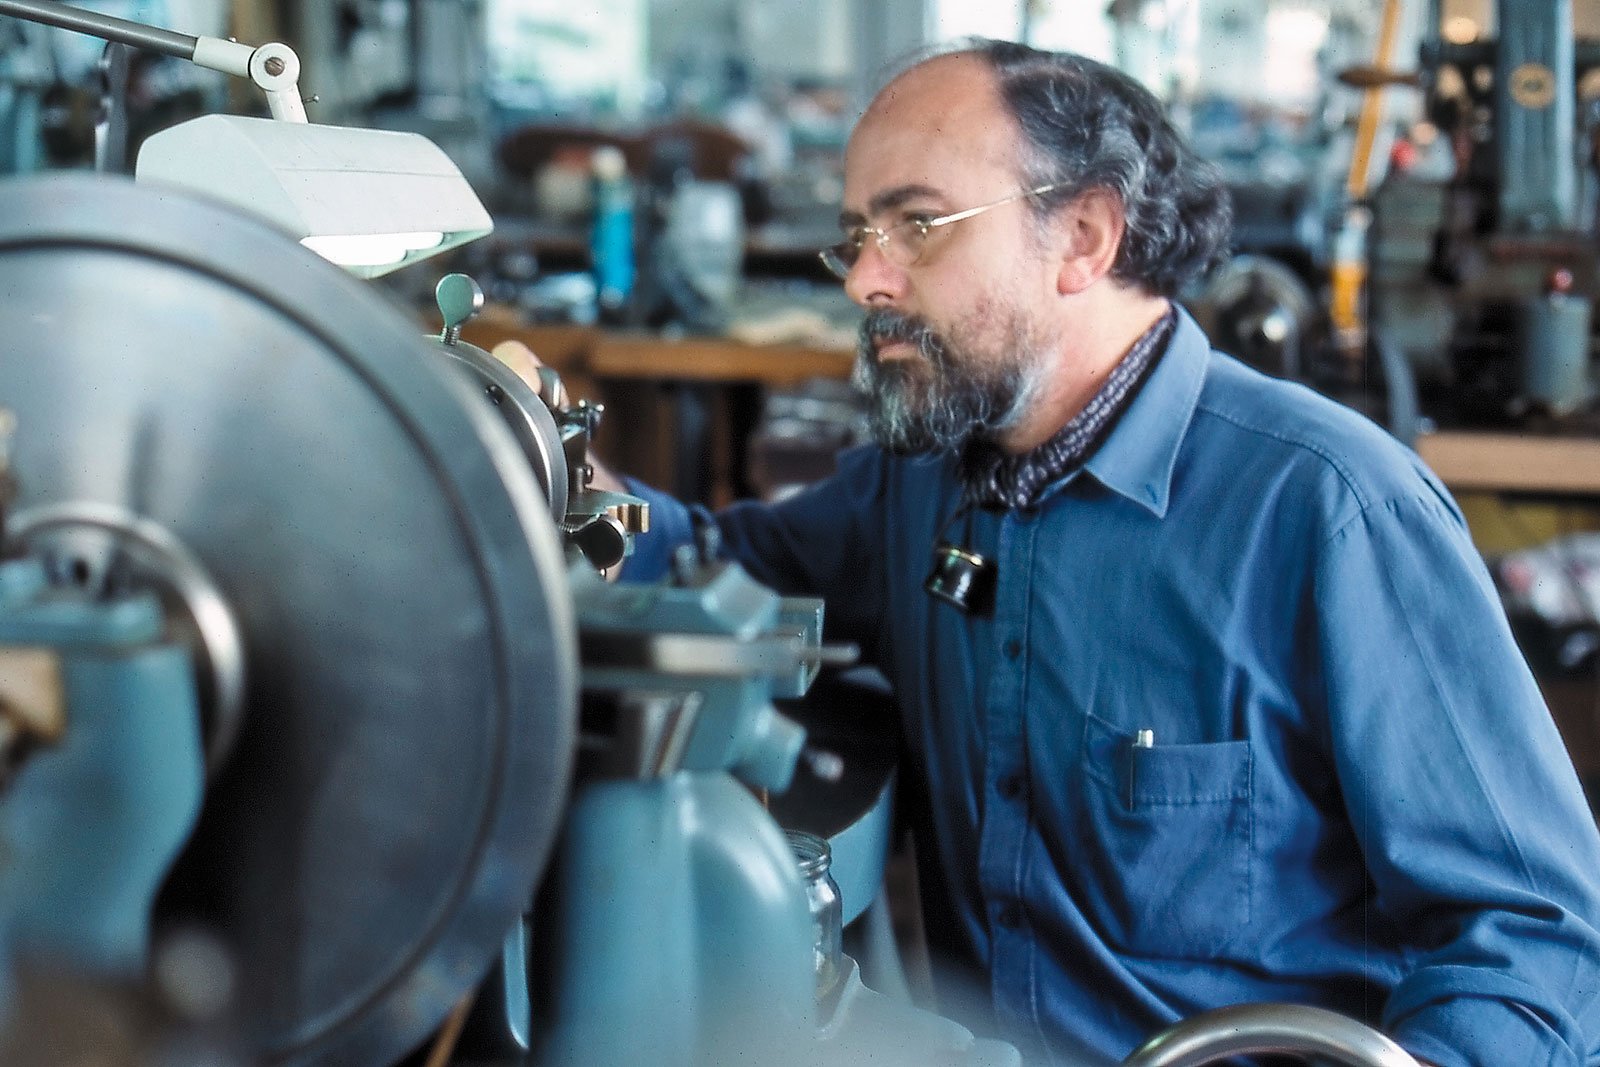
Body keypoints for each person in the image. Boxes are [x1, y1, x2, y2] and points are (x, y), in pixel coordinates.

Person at [502, 40, 1600, 1067]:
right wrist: (539, 460)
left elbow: (1539, 942)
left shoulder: (1329, 511)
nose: (864, 281)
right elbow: (713, 570)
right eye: (856, 236)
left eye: (917, 225)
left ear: (1083, 238)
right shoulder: (921, 477)